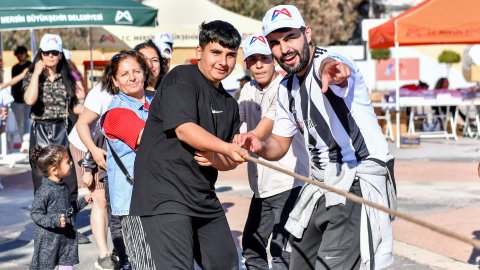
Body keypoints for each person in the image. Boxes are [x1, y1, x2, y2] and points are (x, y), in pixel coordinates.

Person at [235, 5, 396, 270]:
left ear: (307, 34)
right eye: (275, 43)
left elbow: (331, 66)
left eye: (290, 37)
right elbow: (279, 146)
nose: (284, 48)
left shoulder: (330, 61)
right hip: (321, 182)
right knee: (298, 260)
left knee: (331, 264)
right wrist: (259, 145)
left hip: (358, 177)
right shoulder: (286, 89)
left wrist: (334, 72)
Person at [129, 20, 246, 270]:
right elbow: (184, 129)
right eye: (216, 52)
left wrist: (218, 158)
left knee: (226, 262)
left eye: (230, 55)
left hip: (202, 196)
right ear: (199, 52)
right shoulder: (182, 77)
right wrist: (225, 150)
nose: (223, 62)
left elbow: (226, 159)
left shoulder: (230, 105)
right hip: (165, 193)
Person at [237, 33, 309, 270]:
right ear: (246, 63)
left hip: (288, 183)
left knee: (282, 253)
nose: (259, 65)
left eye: (264, 58)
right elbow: (235, 126)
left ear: (274, 59)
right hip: (261, 188)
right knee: (251, 248)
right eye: (252, 59)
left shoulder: (284, 86)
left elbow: (262, 130)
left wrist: (237, 141)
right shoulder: (248, 89)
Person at [23, 34, 87, 245]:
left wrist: (83, 98)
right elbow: (29, 99)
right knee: (41, 182)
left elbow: (76, 108)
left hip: (61, 129)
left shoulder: (68, 75)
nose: (51, 56)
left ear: (60, 54)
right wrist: (36, 74)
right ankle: (44, 228)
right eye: (47, 52)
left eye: (55, 52)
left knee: (68, 181)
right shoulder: (33, 75)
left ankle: (70, 228)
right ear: (41, 54)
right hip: (40, 131)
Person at [100, 49, 155, 269]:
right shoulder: (116, 112)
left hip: (162, 194)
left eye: (136, 71)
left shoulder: (157, 99)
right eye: (124, 74)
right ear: (115, 80)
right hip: (134, 200)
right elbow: (153, 140)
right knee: (145, 261)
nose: (132, 77)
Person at [29, 144, 92, 270]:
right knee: (44, 266)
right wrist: (55, 220)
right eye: (67, 162)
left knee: (67, 263)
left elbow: (68, 210)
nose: (71, 164)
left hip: (66, 238)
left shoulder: (63, 186)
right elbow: (35, 213)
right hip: (49, 240)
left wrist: (83, 201)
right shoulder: (45, 190)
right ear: (54, 170)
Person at [11, 45, 32, 153]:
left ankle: (26, 142)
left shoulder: (30, 66)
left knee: (28, 121)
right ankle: (25, 142)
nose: (19, 55)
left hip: (28, 100)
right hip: (17, 100)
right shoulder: (14, 68)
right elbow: (13, 83)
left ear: (25, 53)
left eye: (21, 53)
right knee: (20, 123)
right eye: (17, 53)